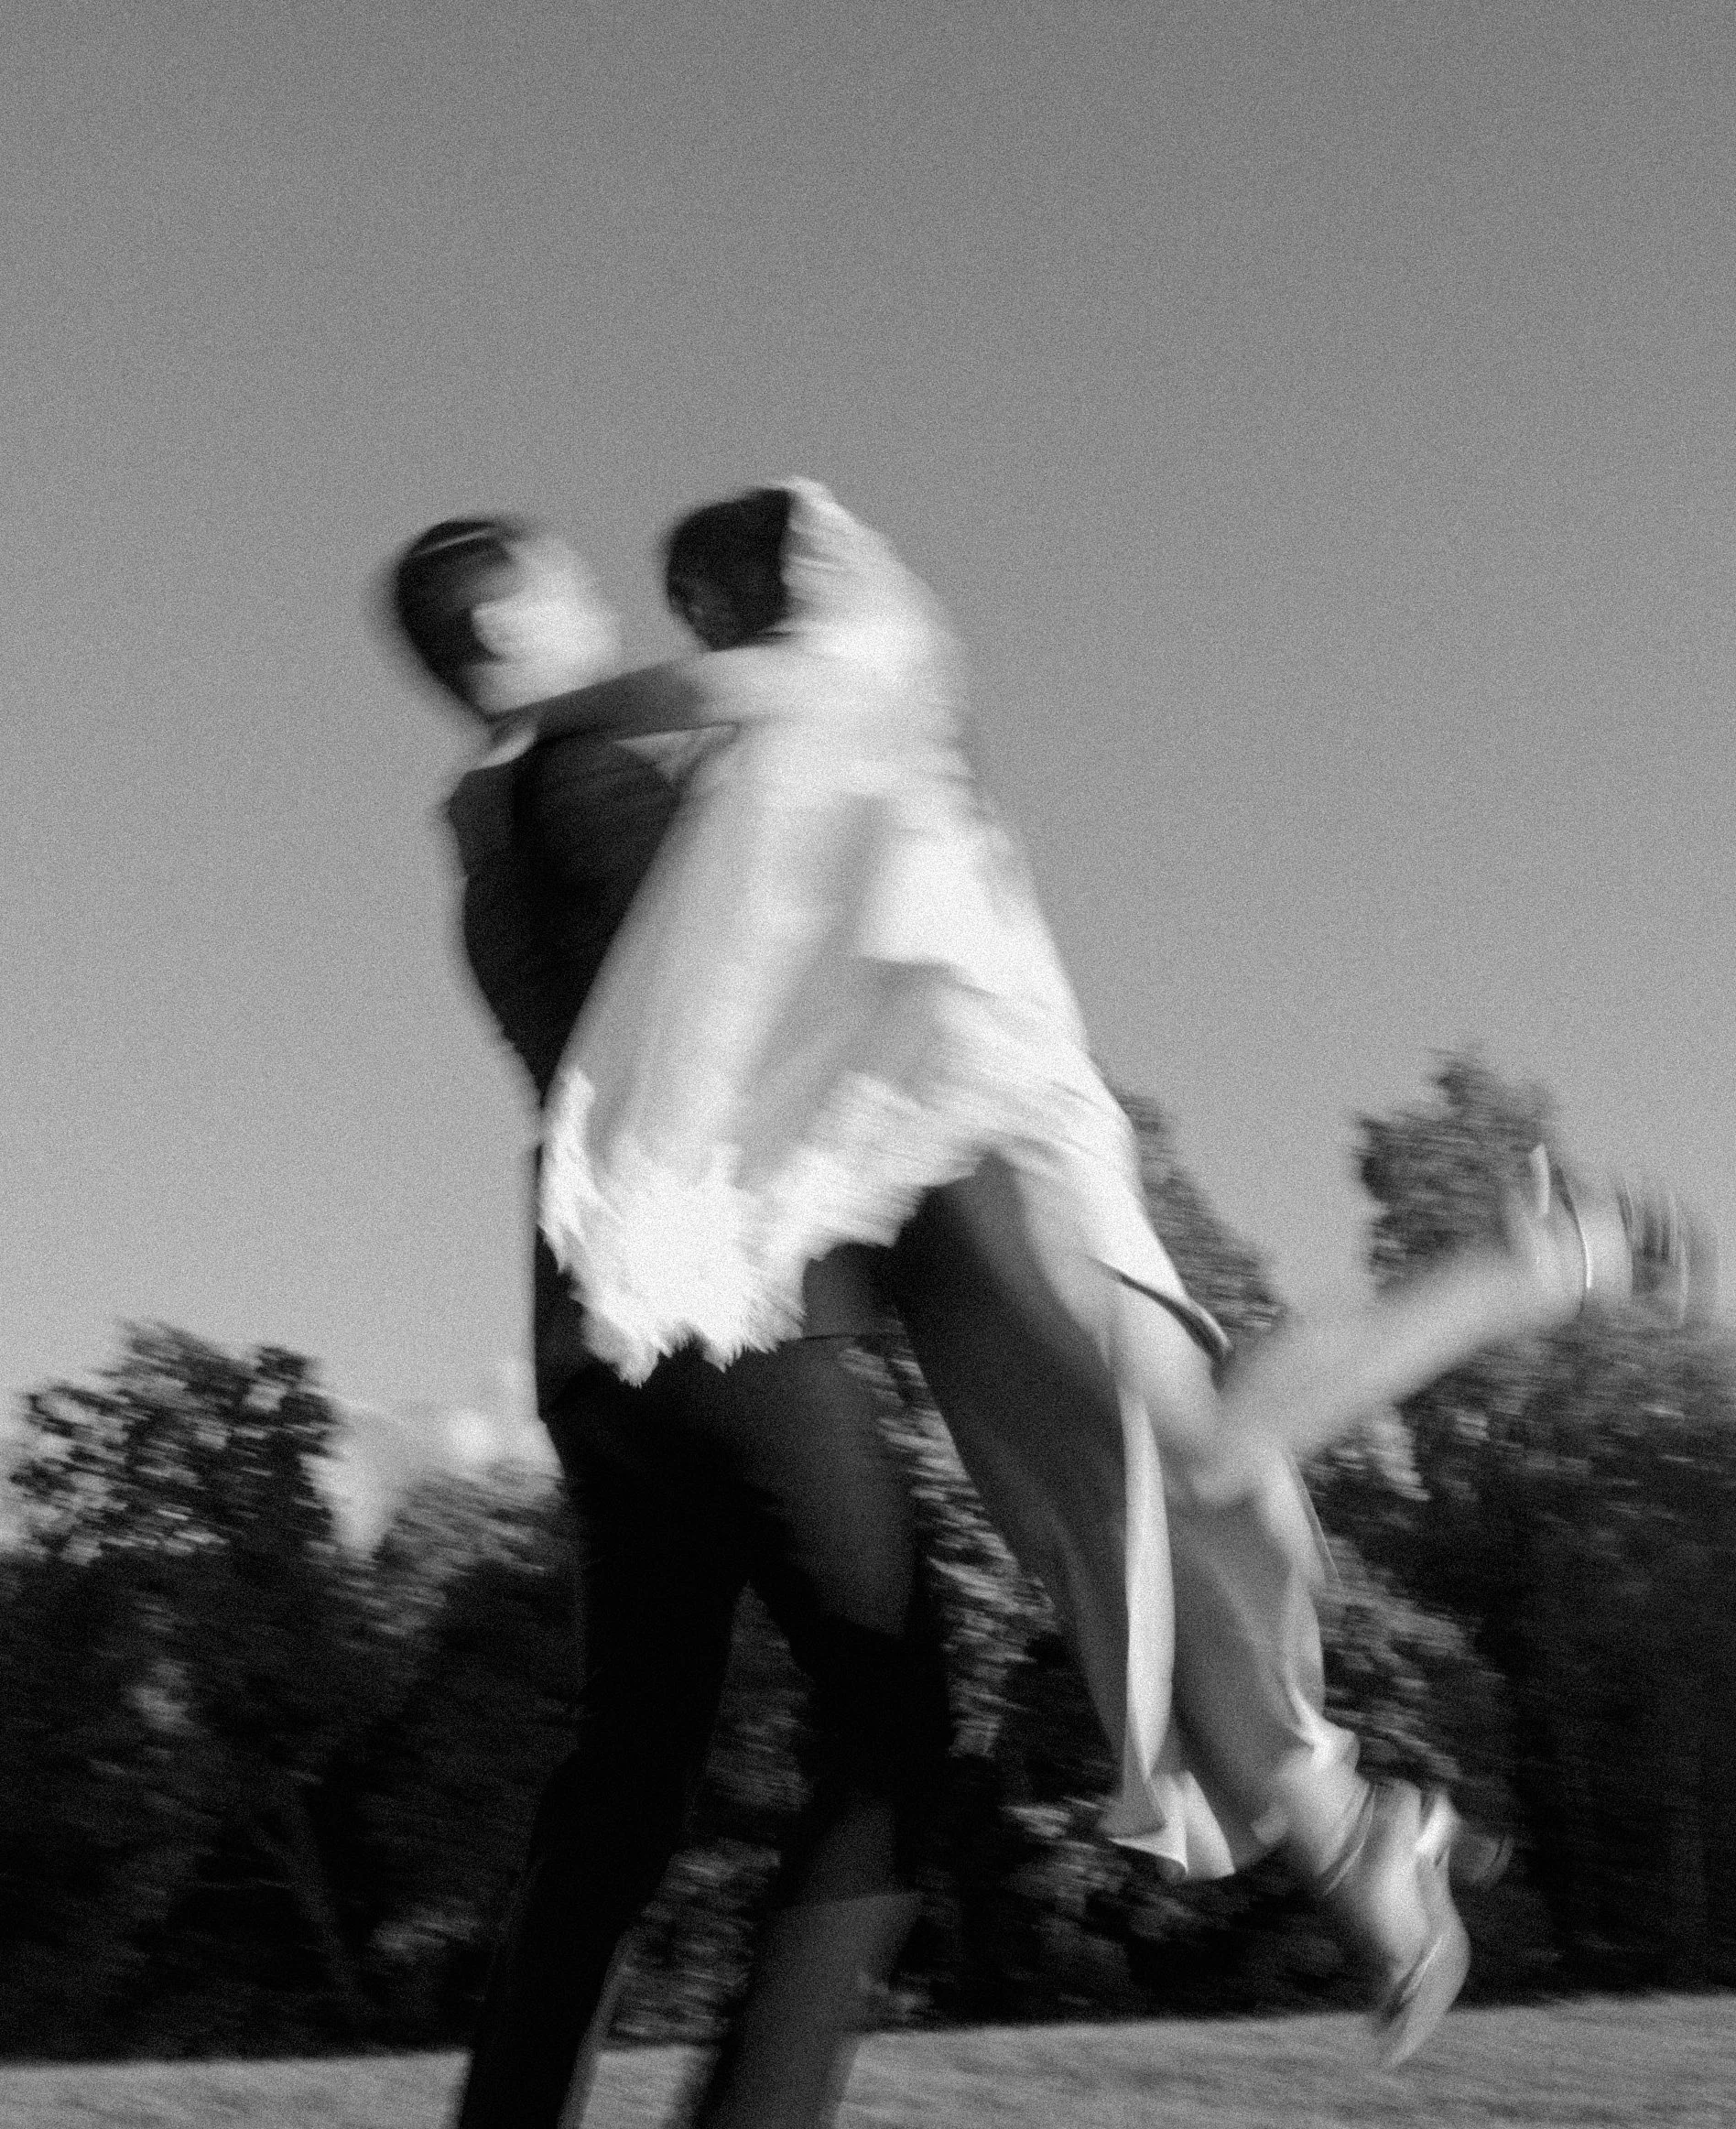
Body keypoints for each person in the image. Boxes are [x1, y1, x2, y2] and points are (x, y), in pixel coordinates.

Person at [514, 479, 1708, 2066]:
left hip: (997, 1118)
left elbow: (738, 713)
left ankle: (1549, 1254)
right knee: (1113, 1551)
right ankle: (1362, 1836)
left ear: (770, 584)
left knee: (1203, 1451)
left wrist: (545, 713)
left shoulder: (854, 650)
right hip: (907, 1190)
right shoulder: (773, 741)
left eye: (716, 602)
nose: (710, 633)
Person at [381, 515, 950, 2129]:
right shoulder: (589, 788)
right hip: (716, 1308)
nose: (610, 615)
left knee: (630, 1775)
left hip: (590, 1344)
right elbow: (745, 980)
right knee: (898, 1725)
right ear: (502, 627)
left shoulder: (487, 831)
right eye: (568, 589)